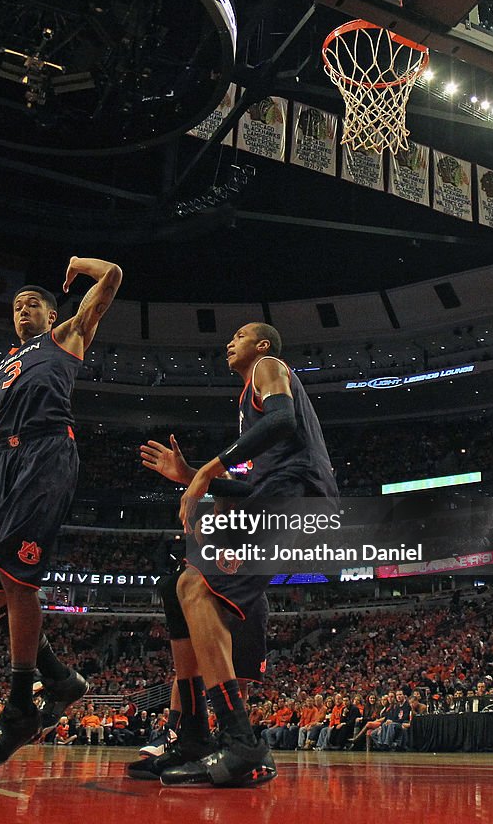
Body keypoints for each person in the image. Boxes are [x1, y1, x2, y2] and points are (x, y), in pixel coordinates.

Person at [0, 258, 122, 769]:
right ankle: (59, 676)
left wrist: (80, 265)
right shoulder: (1, 370)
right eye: (16, 307)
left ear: (50, 312)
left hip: (46, 452)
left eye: (31, 304)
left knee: (18, 579)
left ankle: (19, 706)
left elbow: (112, 279)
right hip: (5, 462)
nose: (22, 311)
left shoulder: (65, 338)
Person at [140, 322, 337, 787]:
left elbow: (284, 419)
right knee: (179, 587)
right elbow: (253, 483)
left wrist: (208, 469)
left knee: (194, 586)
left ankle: (240, 741)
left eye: (240, 334)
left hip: (298, 497)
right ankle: (192, 735)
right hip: (276, 495)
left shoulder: (268, 367)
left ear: (262, 344)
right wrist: (190, 472)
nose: (230, 341)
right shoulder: (250, 401)